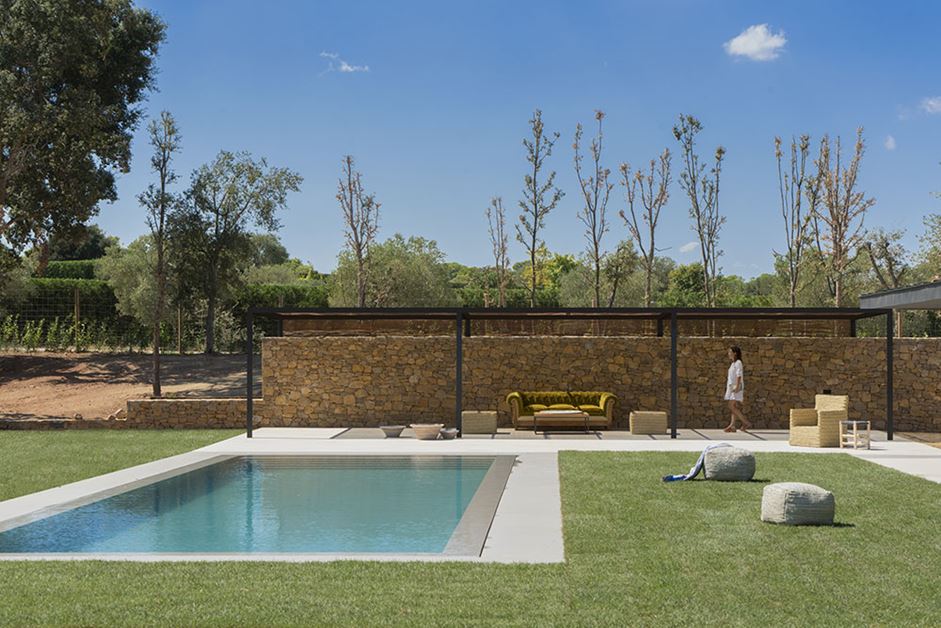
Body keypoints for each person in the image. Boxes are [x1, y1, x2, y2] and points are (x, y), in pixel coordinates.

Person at [723, 345, 751, 432]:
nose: (729, 354)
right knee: (733, 406)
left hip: (736, 387)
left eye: (730, 352)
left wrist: (737, 386)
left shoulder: (738, 363)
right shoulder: (733, 363)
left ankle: (745, 422)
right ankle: (732, 426)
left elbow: (739, 375)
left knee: (731, 405)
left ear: (735, 353)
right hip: (732, 387)